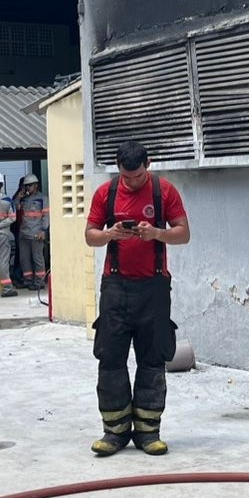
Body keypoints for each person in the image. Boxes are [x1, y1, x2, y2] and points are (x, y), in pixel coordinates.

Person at [84, 141, 191, 457]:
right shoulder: (106, 193)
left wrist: (157, 233)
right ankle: (114, 432)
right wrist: (110, 234)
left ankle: (148, 432)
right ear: (117, 167)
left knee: (153, 359)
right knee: (111, 358)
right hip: (115, 288)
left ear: (149, 164)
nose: (132, 182)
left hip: (153, 289)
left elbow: (183, 233)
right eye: (126, 176)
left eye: (138, 176)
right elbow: (90, 235)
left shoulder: (164, 191)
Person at [15, 173, 50, 291]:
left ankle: (39, 281)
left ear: (36, 185)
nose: (28, 188)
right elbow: (13, 209)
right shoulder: (23, 199)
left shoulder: (43, 198)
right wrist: (18, 198)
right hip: (24, 234)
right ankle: (28, 280)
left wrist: (43, 230)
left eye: (30, 185)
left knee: (37, 258)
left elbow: (46, 216)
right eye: (26, 186)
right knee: (24, 259)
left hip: (37, 233)